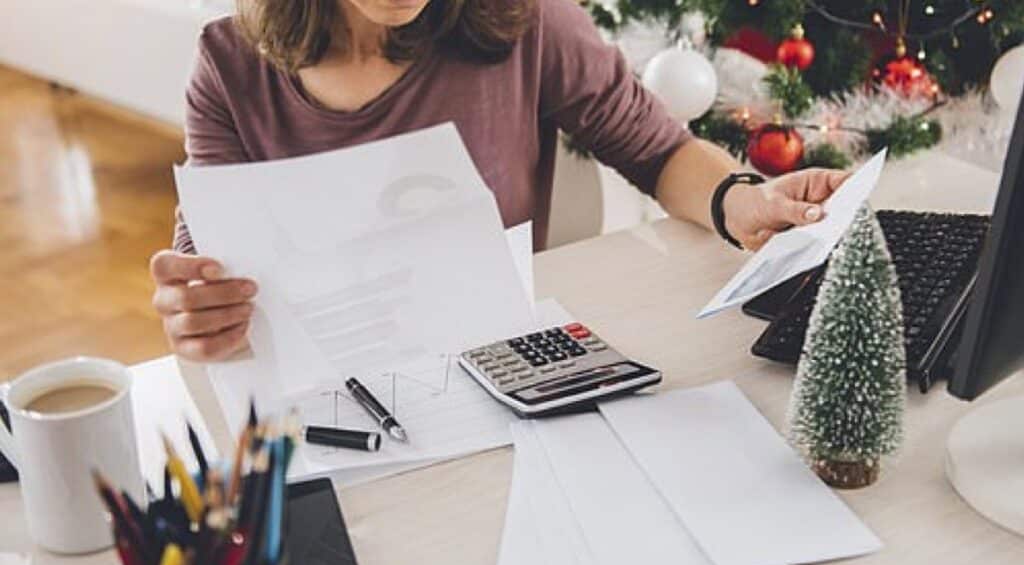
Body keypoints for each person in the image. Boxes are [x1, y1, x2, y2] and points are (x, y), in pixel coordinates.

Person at [150, 0, 847, 362]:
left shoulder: (523, 19)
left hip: (500, 371)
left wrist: (745, 202)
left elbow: (658, 149)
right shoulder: (229, 66)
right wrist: (201, 312)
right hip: (329, 395)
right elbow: (211, 262)